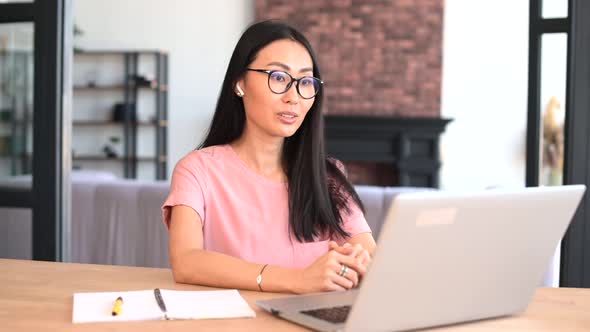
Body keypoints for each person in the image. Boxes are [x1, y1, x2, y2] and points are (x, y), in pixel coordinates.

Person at [162, 20, 376, 294]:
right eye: (278, 77)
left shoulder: (328, 175)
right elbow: (187, 262)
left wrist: (355, 264)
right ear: (239, 83)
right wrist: (297, 280)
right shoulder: (197, 170)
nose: (294, 97)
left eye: (305, 81)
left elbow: (368, 254)